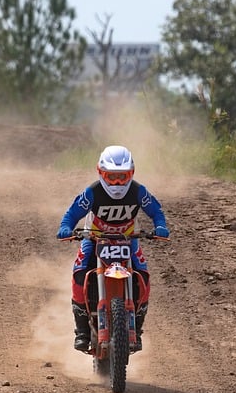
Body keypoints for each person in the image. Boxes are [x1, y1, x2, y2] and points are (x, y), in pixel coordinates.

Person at [56, 145, 169, 352]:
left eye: (122, 177)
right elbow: (72, 213)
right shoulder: (92, 193)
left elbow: (156, 210)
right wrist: (65, 227)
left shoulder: (138, 191)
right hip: (95, 237)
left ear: (131, 174)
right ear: (101, 173)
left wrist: (160, 226)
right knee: (79, 272)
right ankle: (81, 331)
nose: (117, 183)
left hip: (128, 238)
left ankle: (138, 328)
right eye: (112, 177)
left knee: (143, 276)